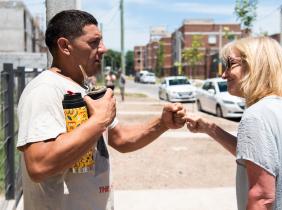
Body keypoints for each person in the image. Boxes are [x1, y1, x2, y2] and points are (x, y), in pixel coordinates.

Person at [17, 10, 186, 210]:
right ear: (65, 46)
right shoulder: (45, 90)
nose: (103, 49)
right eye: (93, 42)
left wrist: (162, 123)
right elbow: (39, 165)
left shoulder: (81, 87)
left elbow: (120, 138)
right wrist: (98, 121)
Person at [185, 36, 282, 210]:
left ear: (254, 64)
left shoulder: (257, 115)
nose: (223, 74)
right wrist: (210, 128)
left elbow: (262, 197)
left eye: (230, 64)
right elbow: (259, 157)